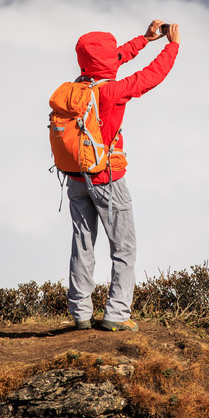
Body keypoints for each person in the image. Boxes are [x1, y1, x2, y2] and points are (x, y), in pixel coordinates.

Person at [67, 19, 180, 332]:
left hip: (75, 178)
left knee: (82, 244)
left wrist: (144, 40)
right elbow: (150, 77)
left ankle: (80, 314)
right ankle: (116, 315)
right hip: (107, 180)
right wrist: (172, 46)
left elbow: (110, 60)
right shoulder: (113, 93)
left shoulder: (76, 87)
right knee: (123, 248)